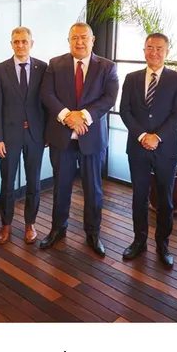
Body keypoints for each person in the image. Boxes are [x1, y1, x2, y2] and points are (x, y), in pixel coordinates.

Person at [40, 23, 119, 256]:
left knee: (93, 189)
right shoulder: (55, 64)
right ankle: (58, 228)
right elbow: (47, 94)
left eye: (84, 37)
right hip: (62, 137)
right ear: (69, 41)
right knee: (61, 186)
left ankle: (93, 233)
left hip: (92, 138)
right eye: (74, 38)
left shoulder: (107, 67)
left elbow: (109, 98)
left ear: (92, 40)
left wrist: (82, 116)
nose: (79, 42)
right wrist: (67, 117)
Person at [119, 33, 177, 267]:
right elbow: (125, 110)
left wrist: (156, 137)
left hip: (166, 148)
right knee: (139, 196)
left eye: (159, 48)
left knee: (165, 198)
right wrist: (142, 136)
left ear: (167, 52)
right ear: (144, 50)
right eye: (150, 48)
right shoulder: (131, 78)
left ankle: (162, 244)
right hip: (137, 147)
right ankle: (139, 241)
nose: (154, 52)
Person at [0, 27, 47, 245]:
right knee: (7, 182)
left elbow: (47, 103)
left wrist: (47, 133)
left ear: (32, 43)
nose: (20, 45)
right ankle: (6, 224)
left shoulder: (43, 68)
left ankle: (30, 223)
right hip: (8, 136)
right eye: (16, 41)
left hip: (35, 134)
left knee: (34, 181)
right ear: (11, 44)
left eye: (24, 41)